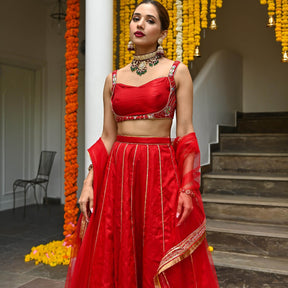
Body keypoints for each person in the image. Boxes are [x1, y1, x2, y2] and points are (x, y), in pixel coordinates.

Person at [65, 0, 219, 287]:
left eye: (150, 20)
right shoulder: (113, 79)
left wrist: (188, 187)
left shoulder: (176, 72)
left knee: (157, 243)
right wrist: (89, 181)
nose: (140, 24)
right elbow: (108, 137)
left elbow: (185, 132)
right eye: (136, 18)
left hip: (159, 170)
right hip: (118, 174)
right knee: (118, 241)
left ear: (162, 32)